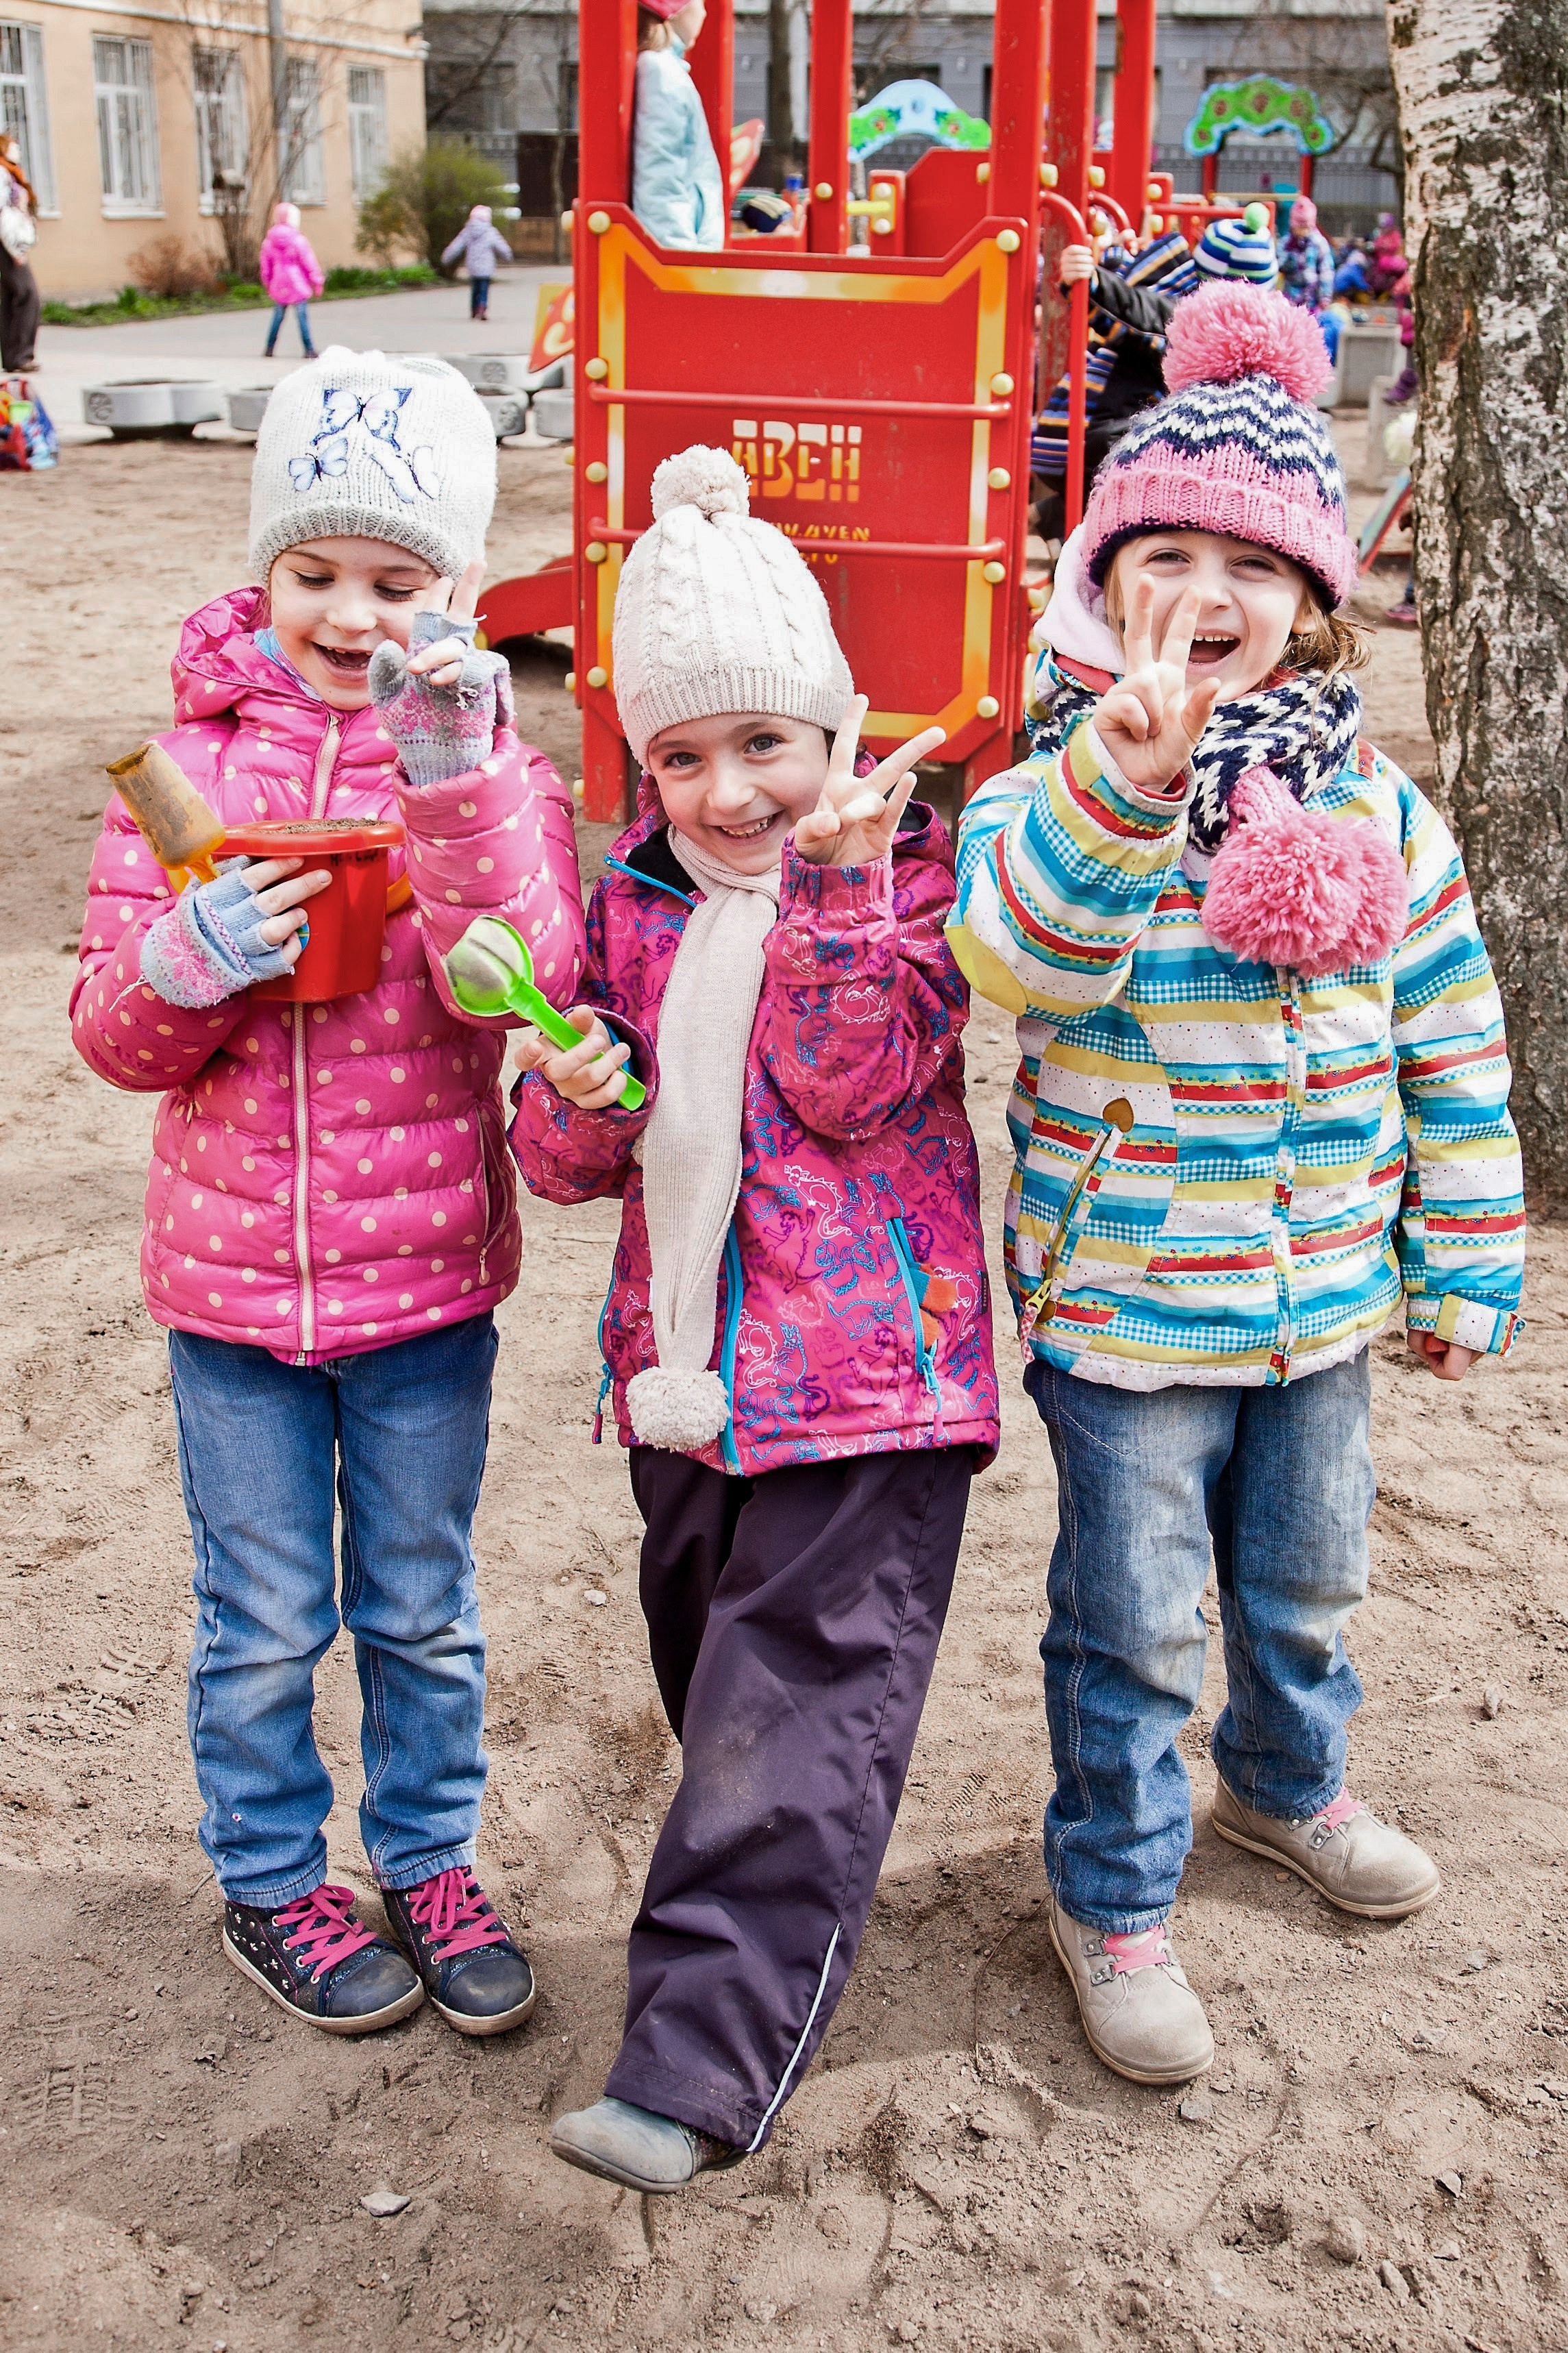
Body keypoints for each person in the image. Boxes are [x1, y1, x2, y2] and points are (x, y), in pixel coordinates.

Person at [951, 283, 1524, 2086]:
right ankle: (1111, 1891)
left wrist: (1467, 1252)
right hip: (1127, 1308)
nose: (1206, 593)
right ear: (1104, 578)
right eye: (1163, 551)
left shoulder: (1381, 815)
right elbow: (1017, 961)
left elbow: (1450, 1036)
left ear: (1309, 603)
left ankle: (1285, 1785)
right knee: (1132, 1624)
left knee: (1304, 1584)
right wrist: (1121, 793)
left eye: (1251, 566)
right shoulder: (1041, 783)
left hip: (1327, 1295)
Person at [71, 349, 587, 2038]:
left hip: (424, 1280)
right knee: (264, 1615)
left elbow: (519, 974)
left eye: (396, 578)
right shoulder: (184, 774)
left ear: (451, 586)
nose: (351, 612)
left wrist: (459, 779)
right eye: (315, 573)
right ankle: (274, 1878)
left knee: (422, 1607)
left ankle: (428, 1856)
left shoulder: (483, 755)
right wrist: (185, 954)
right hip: (230, 1299)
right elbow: (113, 1035)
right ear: (264, 570)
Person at [510, 445, 998, 2191]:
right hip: (693, 1375)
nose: (731, 793)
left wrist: (839, 897)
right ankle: (774, 1913)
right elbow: (571, 1162)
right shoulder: (629, 904)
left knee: (792, 1699)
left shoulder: (908, 883)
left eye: (766, 745)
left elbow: (852, 1082)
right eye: (683, 754)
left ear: (837, 730)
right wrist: (573, 1091)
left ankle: (698, 2065)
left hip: (872, 1379)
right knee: (710, 1666)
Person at [1033, 204, 1276, 530]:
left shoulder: (1169, 283)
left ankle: (1050, 520)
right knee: (1144, 504)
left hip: (1102, 436)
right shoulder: (1192, 317)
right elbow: (1140, 312)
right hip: (1098, 440)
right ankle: (1052, 519)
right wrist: (1093, 282)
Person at [631, 0, 725, 251]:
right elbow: (661, 174)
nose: (704, 12)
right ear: (676, 10)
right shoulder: (661, 72)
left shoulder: (666, 70)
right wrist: (678, 258)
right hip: (680, 253)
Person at [258, 201, 322, 358]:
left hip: (278, 282)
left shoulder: (269, 242)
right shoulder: (298, 240)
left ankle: (269, 348)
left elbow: (266, 267)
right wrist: (317, 281)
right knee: (302, 317)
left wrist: (268, 284)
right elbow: (309, 261)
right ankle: (309, 349)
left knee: (278, 316)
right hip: (297, 282)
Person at [0, 134, 40, 373]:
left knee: (11, 297)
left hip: (8, 243)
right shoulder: (2, 173)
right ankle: (22, 356)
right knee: (28, 295)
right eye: (14, 146)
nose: (18, 150)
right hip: (7, 244)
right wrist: (15, 248)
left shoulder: (9, 172)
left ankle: (13, 358)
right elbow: (3, 213)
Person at [440, 204, 514, 322]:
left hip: (473, 266)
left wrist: (446, 257)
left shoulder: (467, 231)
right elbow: (501, 246)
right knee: (484, 288)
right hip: (486, 266)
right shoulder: (491, 232)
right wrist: (508, 255)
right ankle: (482, 308)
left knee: (475, 288)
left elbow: (457, 245)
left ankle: (474, 309)